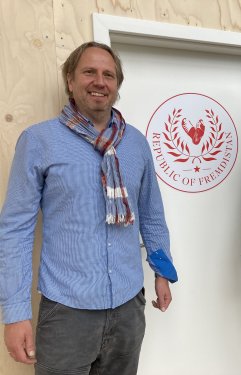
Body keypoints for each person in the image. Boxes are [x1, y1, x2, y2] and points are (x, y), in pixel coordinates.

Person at [0, 41, 178, 375]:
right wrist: (15, 313)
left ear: (117, 85)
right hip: (67, 312)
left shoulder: (136, 143)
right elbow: (15, 230)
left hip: (128, 307)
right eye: (89, 72)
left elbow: (151, 215)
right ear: (70, 80)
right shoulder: (39, 141)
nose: (100, 81)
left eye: (108, 74)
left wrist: (163, 274)